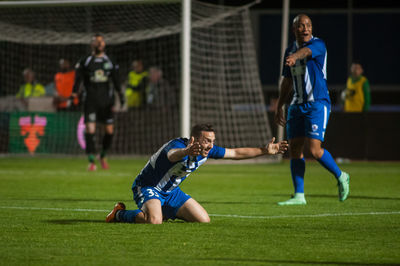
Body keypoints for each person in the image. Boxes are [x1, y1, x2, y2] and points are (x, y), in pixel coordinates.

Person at [106, 123, 288, 224]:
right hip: (148, 187)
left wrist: (264, 150)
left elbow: (235, 153)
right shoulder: (176, 146)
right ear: (194, 139)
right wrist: (186, 152)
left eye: (213, 141)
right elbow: (172, 155)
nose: (210, 145)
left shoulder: (207, 151)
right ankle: (119, 214)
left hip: (171, 193)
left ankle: (165, 211)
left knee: (203, 220)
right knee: (154, 221)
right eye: (207, 140)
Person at [275, 14, 350, 205]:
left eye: (308, 25)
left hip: (317, 103)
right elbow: (288, 81)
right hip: (297, 105)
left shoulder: (318, 45)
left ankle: (341, 176)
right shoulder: (289, 50)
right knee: (295, 149)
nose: (306, 28)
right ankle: (299, 195)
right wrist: (280, 105)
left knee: (314, 150)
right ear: (295, 30)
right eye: (301, 26)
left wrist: (295, 57)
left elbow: (306, 52)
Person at [72, 34, 124, 171]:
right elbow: (78, 80)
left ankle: (103, 155)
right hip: (90, 101)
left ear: (104, 45)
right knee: (90, 129)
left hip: (106, 102)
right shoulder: (86, 61)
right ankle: (91, 161)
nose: (100, 43)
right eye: (97, 41)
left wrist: (121, 96)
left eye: (102, 41)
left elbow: (116, 80)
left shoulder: (110, 61)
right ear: (92, 44)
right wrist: (73, 94)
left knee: (109, 130)